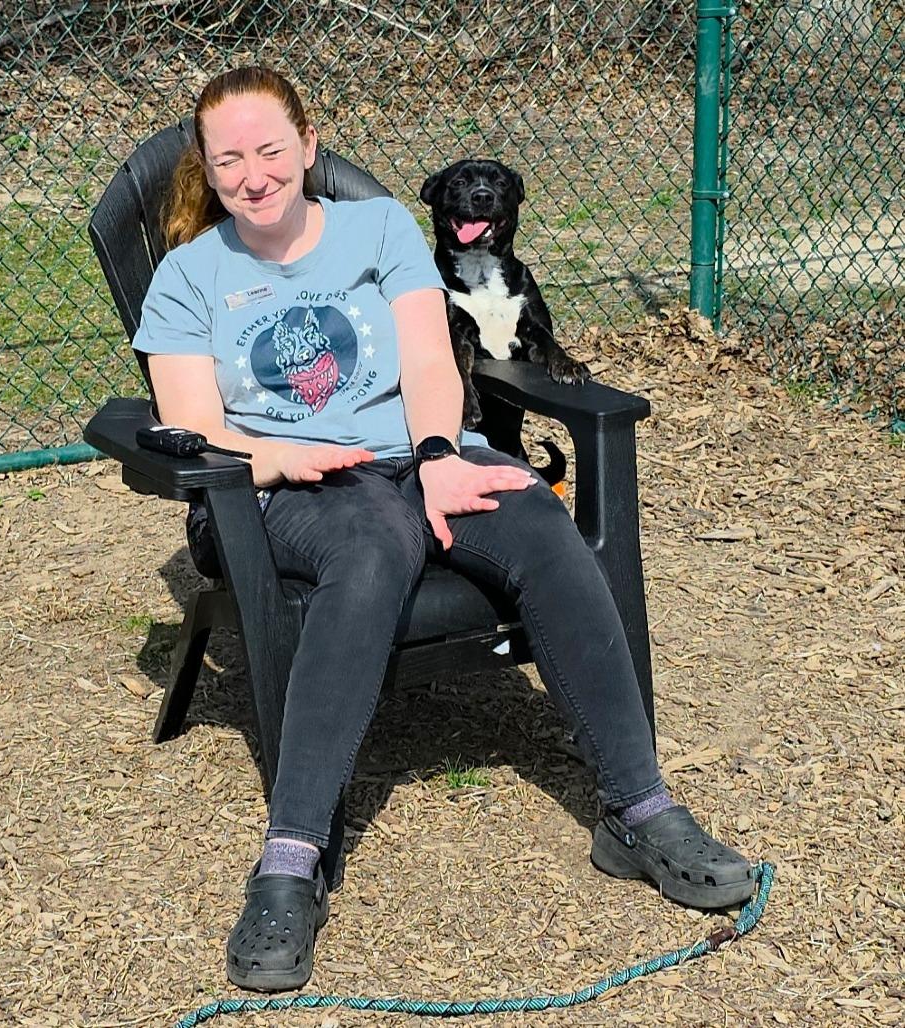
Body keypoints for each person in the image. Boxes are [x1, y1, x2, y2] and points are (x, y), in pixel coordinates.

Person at [133, 66, 755, 993]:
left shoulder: (378, 226)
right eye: (231, 161)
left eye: (272, 151)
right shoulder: (190, 275)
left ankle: (638, 808)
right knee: (372, 544)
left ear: (309, 147)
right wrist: (278, 459)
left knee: (538, 525)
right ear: (209, 172)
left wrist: (436, 455)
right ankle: (291, 861)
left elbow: (431, 354)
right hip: (280, 485)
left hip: (420, 449)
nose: (255, 175)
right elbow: (191, 418)